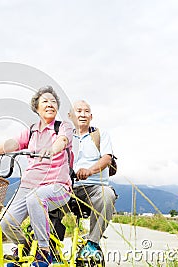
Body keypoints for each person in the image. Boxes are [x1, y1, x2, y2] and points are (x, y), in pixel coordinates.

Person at [0, 86, 73, 267]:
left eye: (53, 102)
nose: (50, 104)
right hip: (28, 184)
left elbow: (63, 141)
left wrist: (51, 149)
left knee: (37, 198)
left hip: (57, 185)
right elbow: (13, 144)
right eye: (45, 101)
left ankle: (43, 252)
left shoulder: (62, 127)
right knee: (6, 223)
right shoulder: (32, 130)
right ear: (36, 107)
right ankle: (26, 248)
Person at [68, 100, 117, 260]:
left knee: (107, 195)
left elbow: (107, 158)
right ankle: (45, 246)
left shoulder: (100, 135)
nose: (82, 114)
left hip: (93, 187)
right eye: (78, 111)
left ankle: (92, 243)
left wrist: (89, 171)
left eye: (86, 111)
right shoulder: (63, 137)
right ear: (70, 116)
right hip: (66, 187)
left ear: (91, 116)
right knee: (40, 197)